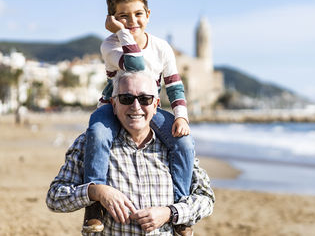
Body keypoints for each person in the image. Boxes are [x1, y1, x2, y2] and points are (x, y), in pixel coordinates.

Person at [83, 0, 195, 233]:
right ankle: (95, 206)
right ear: (112, 18)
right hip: (116, 106)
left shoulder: (162, 47)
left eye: (138, 14)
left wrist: (181, 117)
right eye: (123, 16)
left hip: (148, 109)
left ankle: (180, 208)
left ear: (148, 14)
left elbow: (174, 85)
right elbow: (134, 64)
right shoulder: (110, 44)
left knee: (185, 143)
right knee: (98, 133)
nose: (132, 20)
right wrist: (122, 32)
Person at [46, 71, 215, 236]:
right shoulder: (90, 143)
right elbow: (55, 198)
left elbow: (206, 198)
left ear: (155, 105)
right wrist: (96, 192)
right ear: (113, 104)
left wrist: (170, 213)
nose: (136, 106)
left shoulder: (174, 146)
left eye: (145, 99)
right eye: (126, 99)